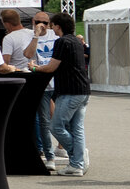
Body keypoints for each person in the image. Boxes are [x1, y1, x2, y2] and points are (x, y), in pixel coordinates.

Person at [35, 12, 90, 175]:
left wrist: (35, 68)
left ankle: (78, 159)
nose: (50, 28)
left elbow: (51, 67)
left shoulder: (61, 41)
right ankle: (77, 164)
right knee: (76, 128)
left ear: (58, 26)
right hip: (83, 90)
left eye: (52, 25)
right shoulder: (76, 41)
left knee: (56, 126)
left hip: (69, 91)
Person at [27, 9, 56, 160]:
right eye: (38, 22)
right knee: (44, 122)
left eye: (45, 23)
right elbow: (28, 54)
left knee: (61, 120)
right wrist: (36, 36)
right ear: (33, 22)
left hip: (58, 83)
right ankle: (49, 155)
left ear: (49, 24)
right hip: (43, 84)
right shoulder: (30, 36)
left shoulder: (54, 35)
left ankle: (64, 148)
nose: (41, 25)